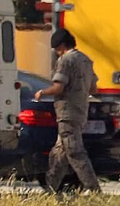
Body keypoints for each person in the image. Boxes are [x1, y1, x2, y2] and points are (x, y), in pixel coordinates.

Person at [35, 29, 101, 194]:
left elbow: (58, 87)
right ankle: (50, 188)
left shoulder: (65, 60)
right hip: (80, 111)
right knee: (59, 152)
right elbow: (94, 87)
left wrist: (42, 93)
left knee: (74, 151)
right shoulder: (86, 60)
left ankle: (93, 189)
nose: (57, 53)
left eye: (57, 49)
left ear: (62, 46)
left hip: (67, 112)